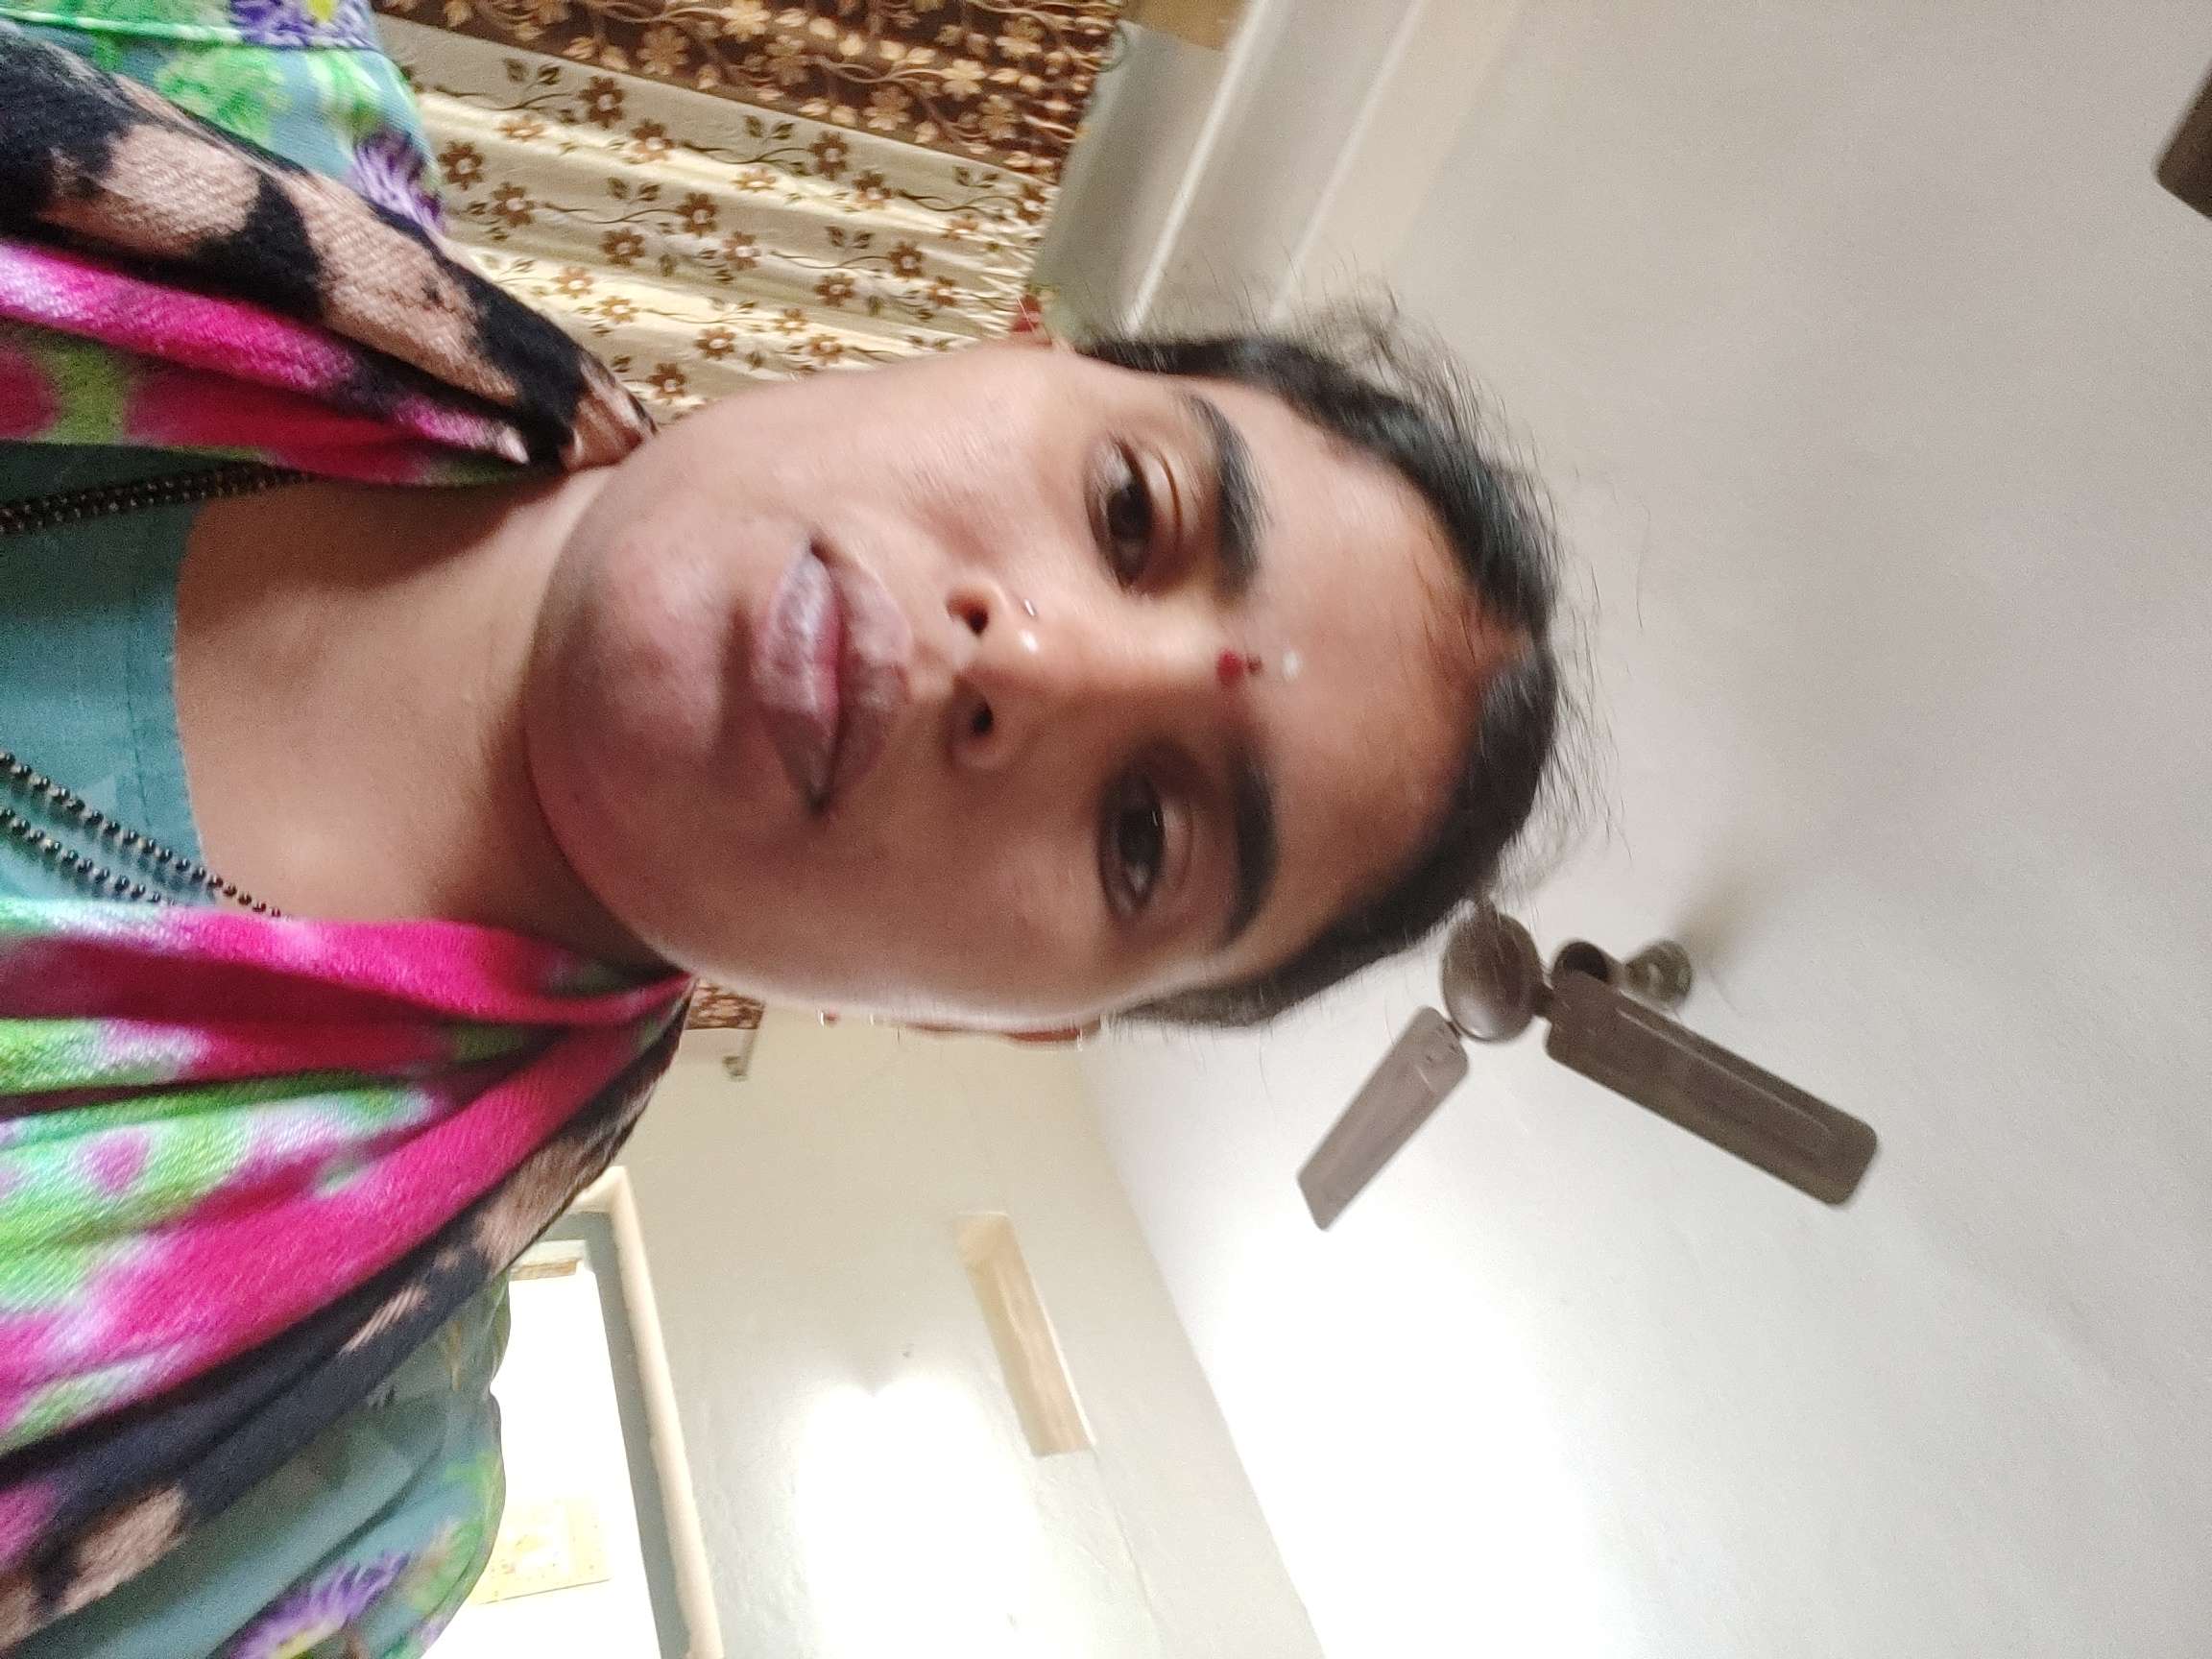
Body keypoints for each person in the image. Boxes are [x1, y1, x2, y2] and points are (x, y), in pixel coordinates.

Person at [0, 1, 1563, 1650]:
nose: (1028, 665)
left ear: (1021, 1026)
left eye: (1141, 839)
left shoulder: (325, 1522)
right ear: (1024, 347)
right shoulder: (225, 72)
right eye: (1130, 509)